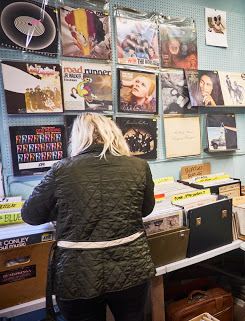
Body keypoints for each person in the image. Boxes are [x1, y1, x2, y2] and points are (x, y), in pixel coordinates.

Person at [21, 113, 156, 321]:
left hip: (78, 274)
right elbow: (146, 209)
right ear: (114, 134)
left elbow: (30, 215)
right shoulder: (138, 166)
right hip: (131, 268)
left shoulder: (62, 169)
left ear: (79, 137)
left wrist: (63, 211)